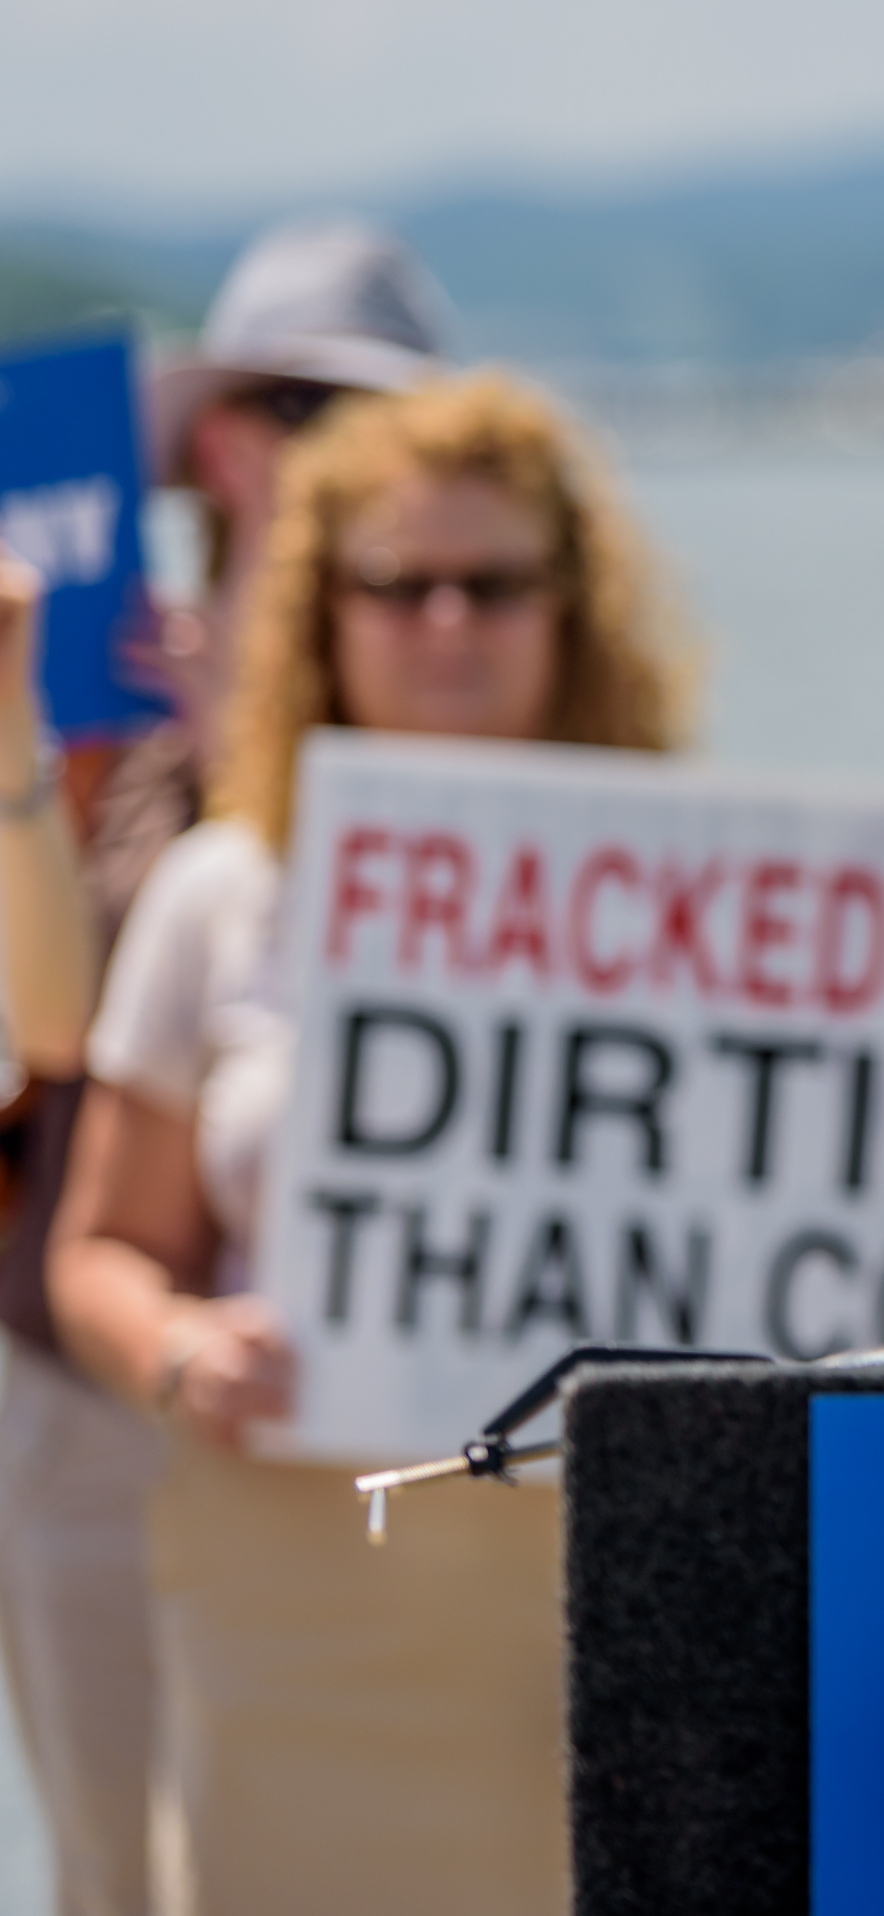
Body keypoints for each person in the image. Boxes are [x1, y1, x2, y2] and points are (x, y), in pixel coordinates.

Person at [45, 372, 690, 1915]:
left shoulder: (704, 902)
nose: (448, 624)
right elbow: (99, 1255)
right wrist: (181, 1351)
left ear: (571, 613)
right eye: (396, 585)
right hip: (293, 1594)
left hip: (604, 1605)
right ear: (319, 611)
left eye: (496, 584)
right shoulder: (222, 893)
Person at [0, 215, 448, 1916]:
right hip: (98, 1381)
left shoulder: (453, 660)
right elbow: (55, 1031)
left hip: (384, 1398)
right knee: (127, 1866)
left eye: (339, 419)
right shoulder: (97, 679)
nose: (287, 459)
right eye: (264, 416)